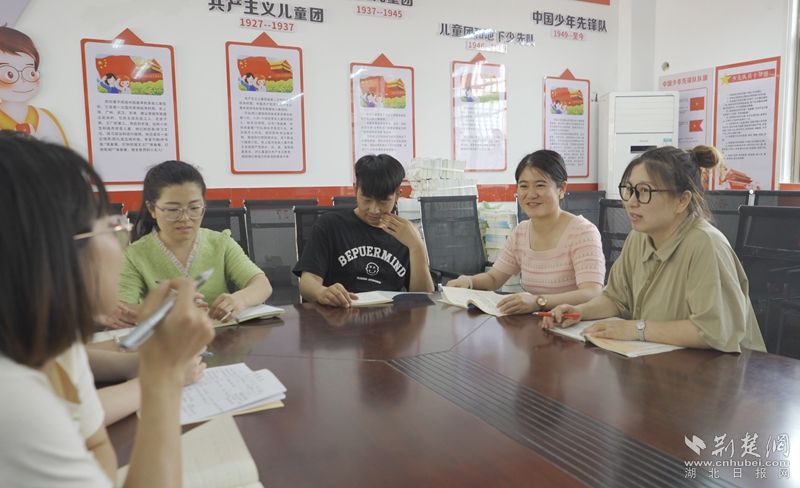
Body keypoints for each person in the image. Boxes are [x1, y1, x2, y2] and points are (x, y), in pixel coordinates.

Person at [0, 130, 214, 486]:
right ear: (51, 253)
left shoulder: (48, 344)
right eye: (110, 227)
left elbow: (97, 444)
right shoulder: (14, 400)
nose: (120, 243)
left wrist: (149, 363)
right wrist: (163, 377)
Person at [543, 145, 767, 353]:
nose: (631, 202)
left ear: (682, 200)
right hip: (665, 362)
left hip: (728, 370)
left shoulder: (705, 244)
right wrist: (580, 311)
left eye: (644, 191)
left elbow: (713, 331)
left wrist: (636, 329)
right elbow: (616, 299)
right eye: (628, 190)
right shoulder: (638, 238)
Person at [448, 150, 605, 315]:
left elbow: (592, 293)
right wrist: (469, 281)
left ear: (561, 189)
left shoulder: (582, 232)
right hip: (536, 322)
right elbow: (494, 279)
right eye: (523, 186)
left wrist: (538, 302)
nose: (531, 194)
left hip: (572, 323)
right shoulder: (521, 232)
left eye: (540, 185)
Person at [116, 160, 271, 325]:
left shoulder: (220, 243)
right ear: (152, 209)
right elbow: (121, 308)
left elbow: (262, 285)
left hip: (220, 335)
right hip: (165, 337)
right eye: (173, 210)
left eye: (194, 208)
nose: (185, 218)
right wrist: (168, 310)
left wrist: (239, 300)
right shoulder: (135, 254)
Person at [294, 154, 434, 307]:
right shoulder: (329, 225)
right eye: (366, 200)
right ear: (355, 190)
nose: (374, 209)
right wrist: (321, 292)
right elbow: (307, 283)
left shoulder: (406, 234)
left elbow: (423, 298)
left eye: (383, 201)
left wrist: (416, 246)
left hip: (390, 317)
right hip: (340, 313)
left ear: (397, 195)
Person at [0, 26, 68, 145]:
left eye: (30, 72)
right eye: (10, 74)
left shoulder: (45, 118)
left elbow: (61, 153)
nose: (23, 81)